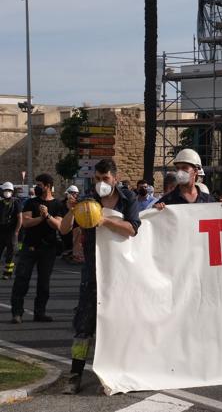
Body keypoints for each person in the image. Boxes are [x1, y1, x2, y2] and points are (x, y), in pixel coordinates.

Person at [59, 159, 140, 395]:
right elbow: (64, 230)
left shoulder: (128, 199)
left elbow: (133, 228)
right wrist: (72, 210)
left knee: (119, 323)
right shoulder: (87, 199)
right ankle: (75, 374)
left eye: (105, 179)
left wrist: (104, 220)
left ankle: (115, 373)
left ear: (115, 177)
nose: (101, 183)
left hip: (120, 272)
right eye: (97, 179)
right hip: (92, 272)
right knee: (83, 325)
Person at [10, 174, 66, 323]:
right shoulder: (31, 203)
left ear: (47, 186)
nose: (37, 187)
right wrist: (41, 218)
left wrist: (47, 215)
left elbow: (59, 225)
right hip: (30, 246)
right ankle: (17, 312)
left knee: (44, 283)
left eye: (39, 185)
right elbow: (26, 223)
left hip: (48, 248)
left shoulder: (57, 205)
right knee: (22, 279)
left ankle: (39, 313)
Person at [1, 182, 22, 280]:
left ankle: (7, 273)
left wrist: (16, 231)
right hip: (1, 231)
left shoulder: (16, 203)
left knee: (10, 253)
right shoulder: (1, 203)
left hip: (11, 232)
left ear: (12, 192)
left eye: (9, 191)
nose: (7, 192)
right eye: (6, 190)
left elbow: (20, 218)